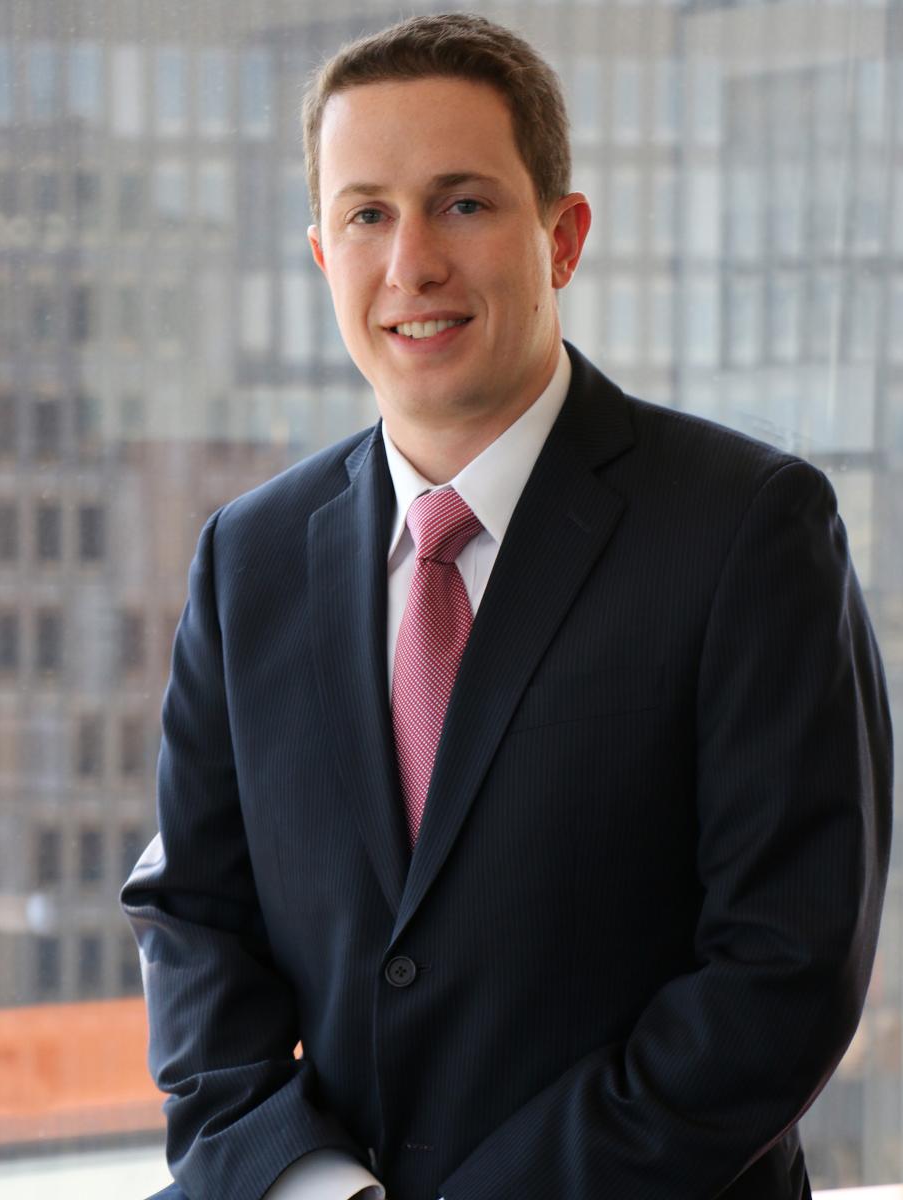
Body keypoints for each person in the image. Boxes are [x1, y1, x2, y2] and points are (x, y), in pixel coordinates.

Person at [122, 13, 893, 1200]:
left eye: (464, 203)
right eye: (366, 214)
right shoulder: (249, 558)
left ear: (563, 236)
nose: (411, 263)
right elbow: (192, 921)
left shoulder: (747, 529)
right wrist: (310, 1183)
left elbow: (782, 967)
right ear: (321, 253)